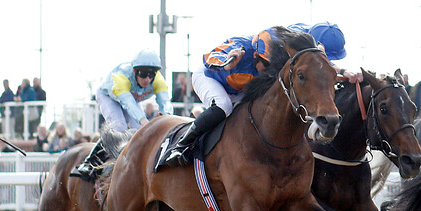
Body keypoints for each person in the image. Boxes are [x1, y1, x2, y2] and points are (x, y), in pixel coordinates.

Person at [164, 23, 348, 166]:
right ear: (255, 55)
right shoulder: (240, 45)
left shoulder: (284, 41)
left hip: (240, 90)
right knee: (223, 106)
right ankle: (182, 145)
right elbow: (210, 57)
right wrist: (227, 62)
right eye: (267, 65)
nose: (270, 71)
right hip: (210, 79)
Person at [74, 49, 173, 180]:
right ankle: (89, 162)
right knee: (119, 126)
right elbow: (128, 104)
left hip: (131, 98)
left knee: (138, 130)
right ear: (134, 71)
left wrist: (167, 117)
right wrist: (144, 121)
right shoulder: (121, 77)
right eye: (143, 74)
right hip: (109, 97)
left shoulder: (158, 80)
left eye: (151, 75)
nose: (147, 79)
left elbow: (165, 101)